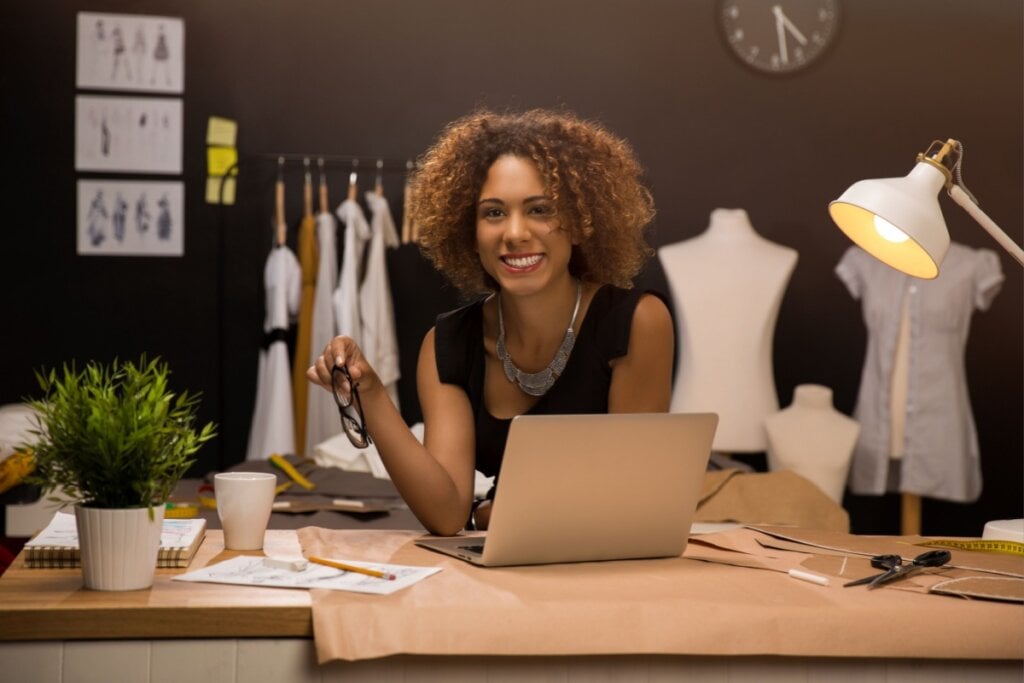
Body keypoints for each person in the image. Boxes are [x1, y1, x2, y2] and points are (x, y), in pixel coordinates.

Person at [307, 109, 674, 535]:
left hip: (606, 573)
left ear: (579, 223)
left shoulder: (636, 324)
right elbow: (445, 515)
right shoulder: (449, 344)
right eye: (494, 213)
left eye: (540, 209)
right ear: (470, 230)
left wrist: (489, 513)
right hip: (503, 576)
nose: (515, 233)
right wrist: (368, 393)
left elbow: (630, 501)